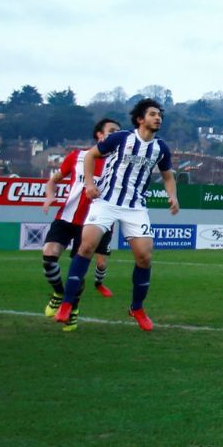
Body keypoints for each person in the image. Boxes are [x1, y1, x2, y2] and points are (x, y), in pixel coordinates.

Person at [54, 98, 179, 332]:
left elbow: (168, 175)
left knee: (144, 257)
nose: (158, 118)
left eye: (159, 114)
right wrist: (90, 184)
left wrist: (173, 196)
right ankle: (67, 303)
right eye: (152, 114)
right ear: (140, 119)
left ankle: (137, 308)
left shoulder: (160, 148)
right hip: (106, 201)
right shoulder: (121, 138)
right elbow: (91, 156)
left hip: (135, 207)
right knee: (86, 247)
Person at [40, 119, 119, 310]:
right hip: (67, 216)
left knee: (79, 270)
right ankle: (59, 292)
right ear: (99, 135)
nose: (116, 134)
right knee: (49, 256)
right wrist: (50, 196)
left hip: (92, 223)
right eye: (112, 131)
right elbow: (53, 180)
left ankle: (72, 309)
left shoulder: (117, 165)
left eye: (119, 132)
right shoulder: (77, 157)